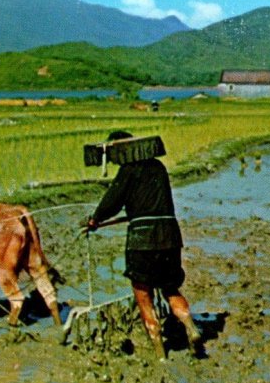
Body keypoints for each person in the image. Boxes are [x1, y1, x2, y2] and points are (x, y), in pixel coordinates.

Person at [86, 131, 201, 360]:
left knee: (143, 295)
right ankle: (190, 326)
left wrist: (95, 219)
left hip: (143, 238)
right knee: (170, 288)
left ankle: (160, 353)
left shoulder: (128, 171)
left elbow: (113, 201)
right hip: (169, 235)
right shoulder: (158, 167)